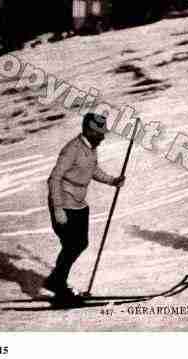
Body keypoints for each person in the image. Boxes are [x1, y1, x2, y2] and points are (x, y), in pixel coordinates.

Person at [43, 113, 125, 299]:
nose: (102, 137)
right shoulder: (72, 149)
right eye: (98, 133)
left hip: (79, 203)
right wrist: (58, 209)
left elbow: (92, 169)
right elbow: (54, 178)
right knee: (72, 245)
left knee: (79, 244)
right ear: (88, 131)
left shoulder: (91, 148)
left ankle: (56, 280)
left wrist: (112, 181)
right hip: (64, 202)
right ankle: (58, 284)